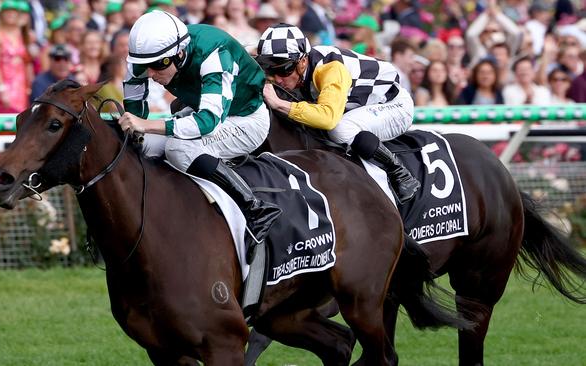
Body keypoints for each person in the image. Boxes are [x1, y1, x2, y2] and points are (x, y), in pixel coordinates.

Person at [118, 10, 281, 247]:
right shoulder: (146, 58)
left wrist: (147, 125)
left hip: (246, 120)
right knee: (143, 147)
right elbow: (135, 115)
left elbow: (208, 122)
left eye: (156, 65)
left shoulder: (214, 53)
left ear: (180, 53)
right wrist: (135, 129)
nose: (150, 74)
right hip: (202, 112)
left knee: (178, 149)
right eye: (143, 66)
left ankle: (254, 207)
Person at [257, 23, 420, 203]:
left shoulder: (330, 69)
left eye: (284, 70)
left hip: (394, 105)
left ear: (303, 62)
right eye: (272, 70)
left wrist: (279, 104)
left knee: (340, 129)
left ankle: (399, 172)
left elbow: (328, 118)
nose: (278, 78)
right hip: (359, 105)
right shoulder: (298, 60)